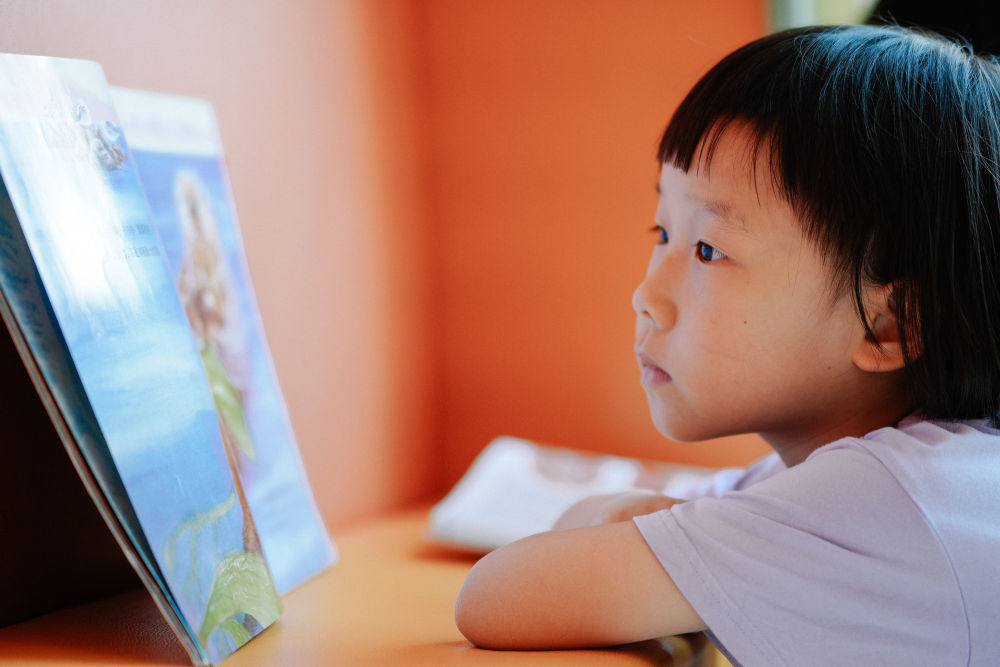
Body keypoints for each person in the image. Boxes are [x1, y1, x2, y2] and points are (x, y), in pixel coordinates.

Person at [454, 24, 1000, 665]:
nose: (646, 297)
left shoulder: (889, 498)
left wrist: (623, 517)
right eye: (662, 232)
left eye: (709, 250)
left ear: (889, 327)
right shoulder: (834, 478)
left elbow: (496, 599)